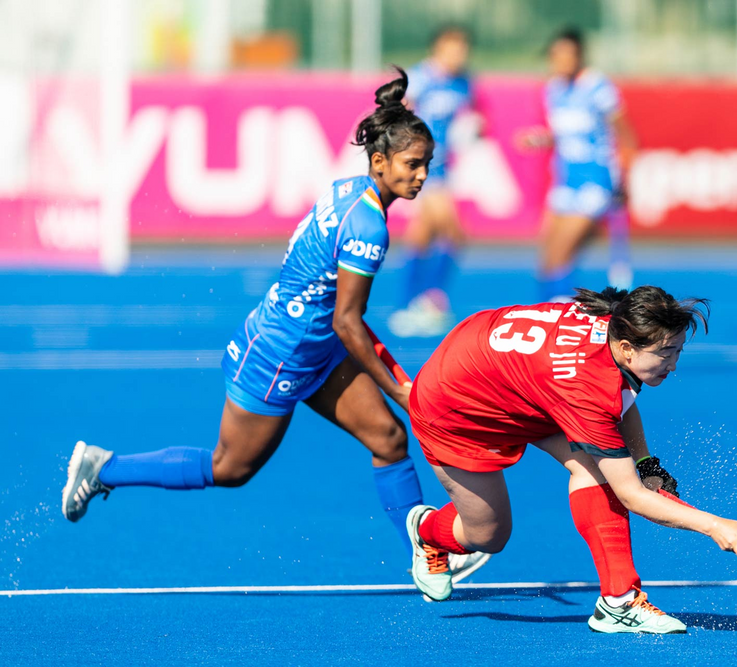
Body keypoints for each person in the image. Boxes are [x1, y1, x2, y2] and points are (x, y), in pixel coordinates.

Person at [60, 68, 489, 580]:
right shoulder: (368, 226)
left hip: (315, 347)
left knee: (389, 439)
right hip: (280, 354)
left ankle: (427, 552)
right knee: (229, 468)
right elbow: (348, 321)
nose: (422, 175)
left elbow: (342, 319)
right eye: (413, 164)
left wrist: (400, 385)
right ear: (380, 161)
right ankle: (105, 468)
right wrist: (401, 389)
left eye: (427, 165)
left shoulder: (350, 189)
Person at [402, 285, 737, 633]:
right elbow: (631, 494)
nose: (674, 365)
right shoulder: (587, 388)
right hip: (456, 409)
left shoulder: (616, 322)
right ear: (627, 349)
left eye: (678, 351)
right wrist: (713, 525)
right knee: (489, 536)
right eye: (665, 353)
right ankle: (427, 533)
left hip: (511, 378)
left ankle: (619, 602)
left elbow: (618, 401)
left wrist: (645, 463)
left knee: (595, 470)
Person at [517, 28, 638, 302]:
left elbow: (626, 136)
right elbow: (563, 135)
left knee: (562, 253)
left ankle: (563, 315)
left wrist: (623, 180)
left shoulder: (597, 87)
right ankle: (549, 312)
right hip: (565, 181)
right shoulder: (553, 89)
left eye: (568, 55)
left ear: (580, 56)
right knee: (548, 259)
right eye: (556, 56)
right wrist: (539, 140)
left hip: (594, 182)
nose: (561, 61)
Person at [388, 26, 476, 338]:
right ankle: (430, 299)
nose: (458, 55)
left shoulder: (464, 82)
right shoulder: (420, 78)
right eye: (452, 49)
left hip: (443, 168)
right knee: (453, 233)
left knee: (422, 235)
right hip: (424, 167)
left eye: (462, 49)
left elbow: (471, 118)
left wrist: (473, 129)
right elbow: (395, 114)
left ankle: (410, 305)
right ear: (437, 49)